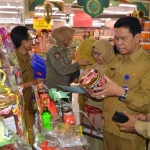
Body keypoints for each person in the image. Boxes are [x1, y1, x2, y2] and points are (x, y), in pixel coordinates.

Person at [91, 16, 150, 150]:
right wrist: (93, 85)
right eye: (116, 38)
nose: (119, 43)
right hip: (109, 126)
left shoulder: (147, 65)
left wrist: (121, 92)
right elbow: (105, 86)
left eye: (123, 38)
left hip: (130, 132)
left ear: (137, 37)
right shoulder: (116, 60)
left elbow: (147, 103)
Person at [10, 26, 45, 146]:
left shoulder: (27, 57)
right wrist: (32, 83)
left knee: (31, 133)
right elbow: (12, 88)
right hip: (20, 107)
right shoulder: (13, 62)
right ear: (23, 42)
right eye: (30, 39)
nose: (32, 42)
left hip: (29, 103)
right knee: (24, 137)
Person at [82, 39, 115, 150]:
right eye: (94, 53)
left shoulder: (113, 68)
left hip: (102, 111)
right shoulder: (94, 67)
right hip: (91, 108)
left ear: (106, 52)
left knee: (99, 141)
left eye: (98, 53)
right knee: (89, 138)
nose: (95, 56)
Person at [45, 26, 88, 92]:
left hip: (65, 86)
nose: (72, 40)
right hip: (56, 88)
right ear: (65, 38)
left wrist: (73, 78)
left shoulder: (65, 50)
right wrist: (79, 63)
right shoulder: (54, 51)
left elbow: (68, 67)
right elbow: (62, 70)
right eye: (70, 38)